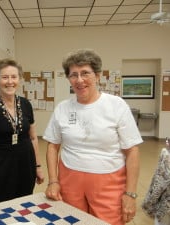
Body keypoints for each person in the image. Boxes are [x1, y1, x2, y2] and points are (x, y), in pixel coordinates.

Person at [43, 49, 143, 225]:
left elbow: (132, 151)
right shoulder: (63, 108)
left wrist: (130, 193)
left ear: (97, 76)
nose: (79, 80)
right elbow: (52, 146)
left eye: (85, 73)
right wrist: (53, 181)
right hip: (69, 180)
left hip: (108, 183)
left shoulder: (116, 106)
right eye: (74, 75)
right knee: (71, 221)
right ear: (68, 79)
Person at [0, 59, 44, 205]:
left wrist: (37, 166)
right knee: (1, 211)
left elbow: (33, 138)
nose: (10, 81)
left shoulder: (25, 104)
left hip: (26, 167)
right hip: (0, 170)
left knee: (24, 207)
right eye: (5, 77)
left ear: (19, 79)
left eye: (14, 77)